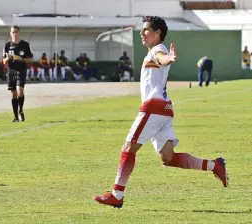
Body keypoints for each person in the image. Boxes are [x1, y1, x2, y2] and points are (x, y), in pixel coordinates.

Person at [93, 16, 228, 209]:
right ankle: (215, 165)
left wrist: (168, 59)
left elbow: (161, 59)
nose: (142, 32)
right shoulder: (154, 51)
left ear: (158, 33)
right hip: (164, 109)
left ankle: (117, 195)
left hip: (153, 108)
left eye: (146, 29)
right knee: (168, 158)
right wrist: (167, 59)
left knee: (128, 147)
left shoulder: (158, 50)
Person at [3, 25, 33, 122]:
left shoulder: (25, 45)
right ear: (10, 33)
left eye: (16, 32)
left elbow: (30, 59)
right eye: (13, 32)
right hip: (11, 71)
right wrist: (7, 59)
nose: (15, 34)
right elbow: (4, 61)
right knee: (13, 94)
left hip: (21, 70)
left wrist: (22, 59)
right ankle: (16, 117)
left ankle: (21, 110)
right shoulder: (7, 45)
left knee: (20, 91)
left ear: (19, 33)